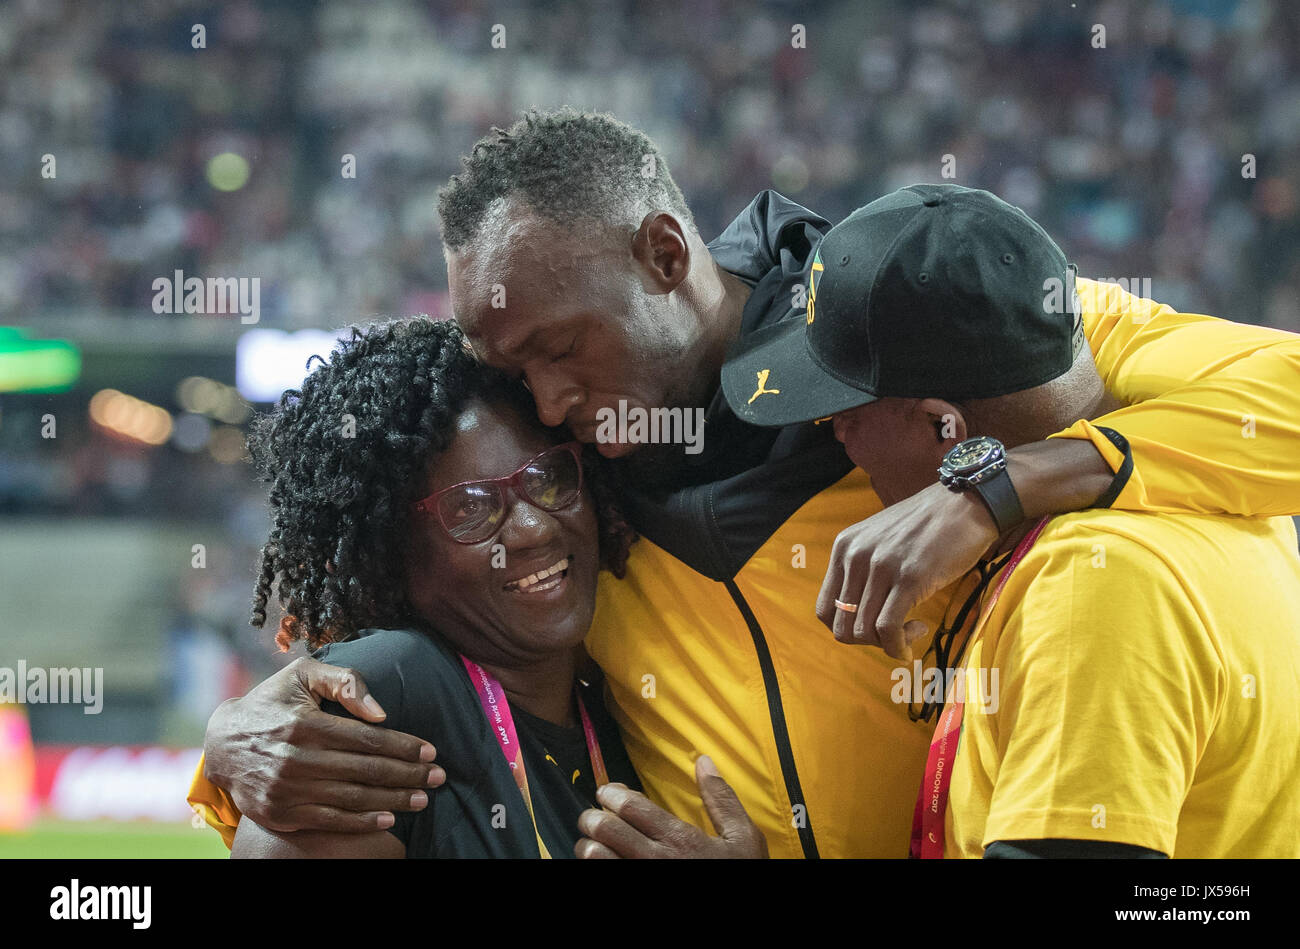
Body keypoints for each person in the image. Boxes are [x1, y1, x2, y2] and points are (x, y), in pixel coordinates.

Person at [191, 109, 1300, 858]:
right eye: (515, 371)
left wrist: (996, 483)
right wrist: (235, 731)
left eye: (564, 347)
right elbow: (408, 600)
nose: (550, 399)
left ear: (666, 257)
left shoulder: (908, 330)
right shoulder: (572, 478)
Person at [724, 183, 1300, 858]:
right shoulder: (1201, 469)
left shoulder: (1091, 583)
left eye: (844, 411)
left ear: (948, 425)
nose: (832, 433)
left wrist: (990, 487)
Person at [223, 315, 763, 858]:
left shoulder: (619, 708)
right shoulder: (386, 691)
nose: (534, 528)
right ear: (391, 552)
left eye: (549, 478)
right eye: (471, 508)